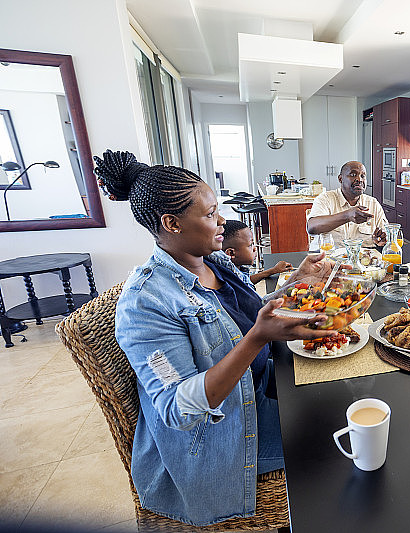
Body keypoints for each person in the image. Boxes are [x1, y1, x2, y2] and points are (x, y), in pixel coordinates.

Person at [94, 150, 338, 526]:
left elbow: (255, 312)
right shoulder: (145, 303)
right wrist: (257, 339)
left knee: (341, 394)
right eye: (209, 214)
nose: (222, 221)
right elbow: (179, 409)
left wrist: (298, 282)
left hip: (257, 391)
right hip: (218, 439)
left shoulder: (215, 261)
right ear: (171, 223)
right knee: (334, 437)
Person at [306, 161, 388, 249]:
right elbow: (312, 227)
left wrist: (381, 237)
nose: (359, 179)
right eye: (353, 175)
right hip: (327, 259)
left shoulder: (373, 203)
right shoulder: (325, 199)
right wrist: (347, 216)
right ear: (340, 179)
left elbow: (385, 234)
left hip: (363, 260)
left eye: (363, 176)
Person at [221, 219, 292, 284]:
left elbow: (246, 281)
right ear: (231, 253)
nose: (254, 248)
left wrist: (274, 270)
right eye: (250, 245)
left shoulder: (235, 272)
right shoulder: (228, 283)